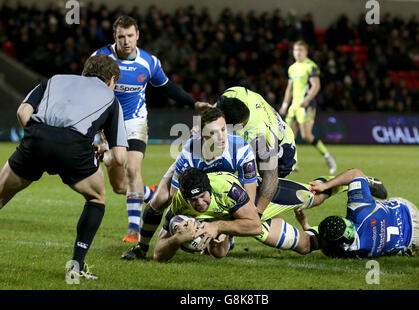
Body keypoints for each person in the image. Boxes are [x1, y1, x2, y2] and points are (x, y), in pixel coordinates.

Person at [121, 107, 323, 260]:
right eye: (213, 133)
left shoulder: (240, 148)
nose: (221, 138)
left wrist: (224, 226)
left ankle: (334, 188)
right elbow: (178, 198)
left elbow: (250, 195)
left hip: (229, 191)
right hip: (199, 185)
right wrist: (193, 226)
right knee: (161, 199)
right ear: (201, 135)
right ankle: (141, 247)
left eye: (223, 130)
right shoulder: (189, 154)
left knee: (305, 197)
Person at [0, 54, 128, 280]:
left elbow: (22, 112)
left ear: (85, 71)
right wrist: (102, 155)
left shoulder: (55, 79)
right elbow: (120, 157)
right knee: (96, 197)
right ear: (111, 80)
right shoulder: (110, 98)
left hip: (36, 138)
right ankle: (75, 267)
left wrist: (36, 138)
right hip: (74, 148)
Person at [91, 15, 211, 243]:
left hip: (134, 121)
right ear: (114, 37)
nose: (126, 41)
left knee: (132, 169)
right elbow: (87, 89)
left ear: (137, 35)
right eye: (121, 36)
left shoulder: (149, 62)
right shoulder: (101, 58)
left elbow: (166, 86)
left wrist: (193, 102)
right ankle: (151, 194)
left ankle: (134, 230)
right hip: (107, 124)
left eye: (130, 36)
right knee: (119, 186)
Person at [303, 168, 419, 258]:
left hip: (410, 240)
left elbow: (326, 247)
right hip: (405, 209)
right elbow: (355, 173)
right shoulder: (359, 210)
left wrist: (305, 225)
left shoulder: (351, 253)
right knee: (416, 222)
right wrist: (326, 185)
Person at [216, 86, 297, 217]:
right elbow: (217, 109)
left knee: (261, 186)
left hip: (284, 153)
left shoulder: (261, 137)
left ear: (237, 126)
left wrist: (256, 213)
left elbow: (271, 177)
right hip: (257, 130)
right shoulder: (235, 93)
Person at [153, 168, 262, 262]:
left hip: (253, 206)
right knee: (217, 252)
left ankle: (227, 231)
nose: (200, 203)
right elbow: (158, 255)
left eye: (202, 196)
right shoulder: (178, 202)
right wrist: (176, 239)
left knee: (270, 237)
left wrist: (218, 226)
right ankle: (225, 233)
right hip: (221, 214)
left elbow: (256, 226)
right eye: (193, 199)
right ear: (186, 199)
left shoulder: (227, 188)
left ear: (209, 190)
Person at [279, 40, 337, 174]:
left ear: (306, 51)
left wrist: (307, 99)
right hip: (294, 105)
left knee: (306, 136)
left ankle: (328, 156)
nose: (297, 53)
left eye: (300, 50)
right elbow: (289, 89)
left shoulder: (311, 66)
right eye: (295, 50)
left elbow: (316, 85)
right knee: (289, 135)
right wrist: (285, 105)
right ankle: (293, 162)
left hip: (306, 105)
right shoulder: (292, 68)